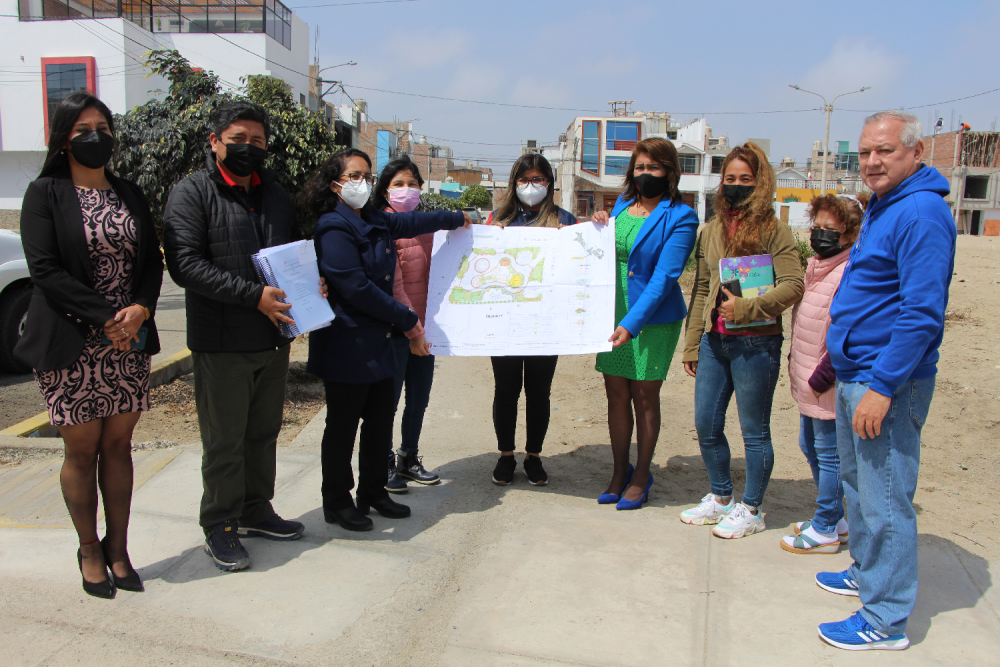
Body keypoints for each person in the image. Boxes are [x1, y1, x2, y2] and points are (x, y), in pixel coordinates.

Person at [815, 111, 956, 651]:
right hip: (859, 371)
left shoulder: (919, 213)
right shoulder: (884, 205)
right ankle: (868, 575)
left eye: (886, 151)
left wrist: (882, 386)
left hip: (885, 380)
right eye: (866, 153)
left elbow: (922, 313)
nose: (873, 162)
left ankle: (886, 619)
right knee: (859, 486)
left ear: (916, 153)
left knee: (886, 498)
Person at [16, 91, 163, 598]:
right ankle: (89, 549)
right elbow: (45, 272)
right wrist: (108, 318)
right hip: (72, 342)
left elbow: (151, 262)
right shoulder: (44, 194)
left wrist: (140, 308)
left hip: (127, 342)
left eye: (102, 126)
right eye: (83, 129)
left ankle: (119, 548)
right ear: (64, 138)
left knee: (119, 447)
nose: (95, 136)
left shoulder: (130, 192)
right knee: (81, 453)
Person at [163, 101, 306, 572]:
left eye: (258, 141)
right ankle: (220, 523)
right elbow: (186, 265)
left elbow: (294, 255)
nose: (248, 149)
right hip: (222, 341)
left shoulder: (277, 196)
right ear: (215, 141)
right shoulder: (192, 193)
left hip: (272, 339)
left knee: (263, 433)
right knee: (224, 439)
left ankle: (255, 508)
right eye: (238, 139)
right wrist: (254, 297)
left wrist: (312, 283)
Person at [302, 149, 471, 532]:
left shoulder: (375, 219)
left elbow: (412, 221)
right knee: (343, 427)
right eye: (353, 176)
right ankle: (337, 501)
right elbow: (355, 286)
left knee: (380, 422)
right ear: (336, 184)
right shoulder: (333, 227)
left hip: (378, 342)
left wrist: (455, 217)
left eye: (366, 175)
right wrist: (407, 317)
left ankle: (374, 491)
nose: (360, 182)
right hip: (347, 344)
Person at [679, 142, 804, 538]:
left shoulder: (774, 228)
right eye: (730, 178)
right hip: (716, 344)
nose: (736, 186)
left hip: (756, 343)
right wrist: (693, 342)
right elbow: (701, 287)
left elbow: (793, 285)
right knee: (706, 424)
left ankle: (752, 509)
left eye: (745, 179)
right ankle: (720, 498)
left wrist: (748, 310)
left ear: (760, 182)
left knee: (754, 430)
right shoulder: (711, 228)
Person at [590, 138, 698, 510]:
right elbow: (604, 251)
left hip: (651, 320)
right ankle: (620, 470)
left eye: (654, 168)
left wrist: (631, 323)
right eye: (640, 167)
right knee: (615, 395)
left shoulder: (681, 216)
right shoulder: (620, 205)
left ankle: (641, 476)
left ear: (669, 171)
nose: (646, 174)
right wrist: (598, 224)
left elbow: (665, 277)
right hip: (612, 313)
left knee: (644, 397)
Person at [485, 153, 577, 486]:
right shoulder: (499, 219)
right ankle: (506, 456)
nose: (531, 186)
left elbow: (582, 266)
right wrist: (486, 238)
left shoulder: (564, 220)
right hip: (505, 323)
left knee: (539, 392)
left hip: (546, 324)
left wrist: (583, 234)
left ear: (550, 184)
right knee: (506, 390)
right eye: (524, 180)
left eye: (538, 180)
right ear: (514, 184)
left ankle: (534, 456)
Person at [780, 195, 862, 554]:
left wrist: (820, 376)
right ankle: (837, 519)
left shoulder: (848, 272)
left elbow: (846, 332)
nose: (821, 235)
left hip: (824, 382)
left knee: (829, 455)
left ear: (851, 234)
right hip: (808, 378)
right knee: (808, 445)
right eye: (817, 227)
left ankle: (827, 524)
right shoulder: (817, 267)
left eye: (831, 230)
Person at [370, 158, 442, 494]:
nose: (407, 190)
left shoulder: (426, 226)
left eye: (412, 183)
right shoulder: (381, 225)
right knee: (389, 399)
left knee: (419, 398)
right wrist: (413, 330)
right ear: (384, 188)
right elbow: (395, 285)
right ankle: (382, 462)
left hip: (425, 330)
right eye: (399, 183)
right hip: (396, 330)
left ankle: (408, 458)